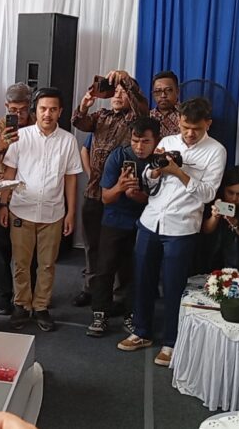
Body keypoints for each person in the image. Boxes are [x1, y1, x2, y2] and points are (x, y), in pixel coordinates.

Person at [118, 97, 226, 367]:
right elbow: (148, 180)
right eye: (186, 126)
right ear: (179, 121)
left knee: (174, 286)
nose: (189, 133)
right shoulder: (167, 142)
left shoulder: (216, 151)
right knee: (142, 278)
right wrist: (155, 172)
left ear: (207, 125)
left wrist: (179, 172)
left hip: (182, 226)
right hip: (151, 219)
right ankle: (141, 331)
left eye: (196, 129)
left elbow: (208, 193)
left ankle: (171, 342)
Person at [0, 87, 82, 332]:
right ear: (36, 111)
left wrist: (71, 212)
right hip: (21, 209)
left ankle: (41, 306)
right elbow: (9, 173)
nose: (48, 114)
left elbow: (71, 179)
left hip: (53, 213)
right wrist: (3, 203)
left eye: (53, 109)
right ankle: (21, 305)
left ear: (60, 112)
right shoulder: (20, 136)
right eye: (43, 109)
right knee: (22, 263)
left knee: (47, 264)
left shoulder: (68, 140)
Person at [71, 69, 148, 308]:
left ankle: (118, 293)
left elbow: (141, 108)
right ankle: (91, 287)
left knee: (119, 247)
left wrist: (124, 78)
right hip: (94, 191)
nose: (117, 95)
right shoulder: (101, 115)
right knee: (92, 244)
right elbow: (79, 122)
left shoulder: (133, 120)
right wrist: (85, 104)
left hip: (120, 193)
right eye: (114, 91)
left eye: (122, 92)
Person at [87, 116, 160, 337]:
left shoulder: (161, 161)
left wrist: (138, 196)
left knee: (137, 270)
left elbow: (159, 200)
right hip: (114, 220)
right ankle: (100, 313)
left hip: (145, 223)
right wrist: (119, 187)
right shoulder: (118, 156)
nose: (139, 147)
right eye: (135, 140)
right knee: (105, 268)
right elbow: (105, 198)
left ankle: (132, 314)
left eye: (145, 141)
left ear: (156, 140)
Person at [0, 83, 36, 315]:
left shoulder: (39, 124)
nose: (18, 114)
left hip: (31, 194)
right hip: (2, 194)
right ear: (6, 106)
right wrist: (1, 145)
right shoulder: (0, 127)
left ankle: (29, 295)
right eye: (13, 109)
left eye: (22, 109)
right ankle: (4, 296)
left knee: (30, 251)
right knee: (1, 249)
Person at [199, 166, 239, 280]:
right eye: (230, 192)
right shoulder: (213, 196)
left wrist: (235, 223)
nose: (234, 198)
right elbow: (206, 230)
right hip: (211, 254)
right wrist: (215, 217)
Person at [149, 70, 181, 137]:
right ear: (153, 94)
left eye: (168, 90)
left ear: (177, 91)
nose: (163, 95)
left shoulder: (187, 114)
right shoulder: (148, 117)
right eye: (158, 91)